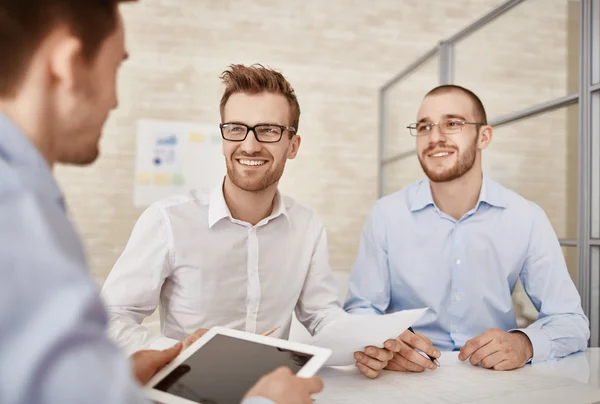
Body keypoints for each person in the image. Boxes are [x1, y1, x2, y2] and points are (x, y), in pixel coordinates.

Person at [0, 1, 322, 403]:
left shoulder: (31, 200)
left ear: (293, 145)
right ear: (66, 66)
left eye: (269, 130)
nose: (117, 101)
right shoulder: (17, 212)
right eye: (116, 67)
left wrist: (126, 373)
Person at [100, 63, 354, 353]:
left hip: (271, 390)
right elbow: (109, 319)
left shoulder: (308, 226)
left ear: (292, 146)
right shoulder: (168, 220)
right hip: (188, 389)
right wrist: (176, 350)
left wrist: (369, 342)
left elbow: (321, 313)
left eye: (268, 130)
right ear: (223, 139)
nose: (249, 145)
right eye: (236, 129)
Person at [343, 84, 590, 378]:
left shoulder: (526, 218)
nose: (435, 137)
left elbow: (571, 322)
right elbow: (361, 310)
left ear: (483, 136)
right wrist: (385, 343)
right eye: (424, 127)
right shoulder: (385, 215)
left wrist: (525, 344)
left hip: (496, 380)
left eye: (452, 123)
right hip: (406, 381)